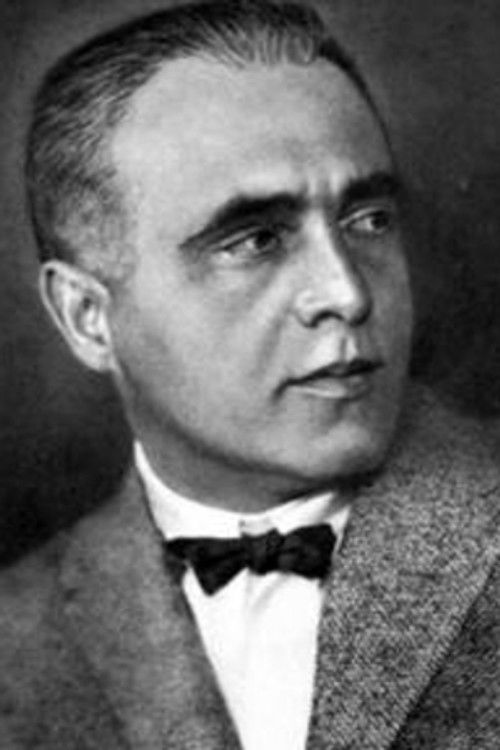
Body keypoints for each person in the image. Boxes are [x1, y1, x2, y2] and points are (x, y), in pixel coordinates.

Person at [1, 1, 499, 748]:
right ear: (86, 317)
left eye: (368, 219)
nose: (347, 293)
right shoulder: (16, 641)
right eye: (256, 240)